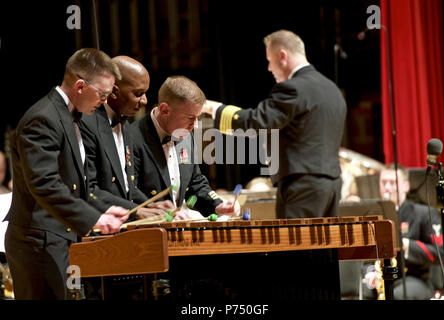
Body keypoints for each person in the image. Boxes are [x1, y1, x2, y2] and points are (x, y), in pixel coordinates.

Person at [4, 48, 129, 300]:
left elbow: (76, 184)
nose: (105, 101)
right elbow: (45, 185)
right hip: (37, 242)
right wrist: (94, 219)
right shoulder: (42, 118)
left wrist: (105, 210)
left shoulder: (75, 118)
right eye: (103, 94)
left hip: (60, 238)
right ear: (81, 86)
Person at [203, 29, 347, 219]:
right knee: (324, 248)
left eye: (269, 61)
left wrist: (215, 109)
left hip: (302, 184)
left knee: (296, 249)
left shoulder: (294, 88)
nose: (269, 68)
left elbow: (256, 122)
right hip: (332, 185)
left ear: (282, 56)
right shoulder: (331, 89)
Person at [131, 75, 240, 219]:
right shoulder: (132, 137)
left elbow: (195, 183)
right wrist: (160, 215)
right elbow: (129, 192)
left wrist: (217, 205)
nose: (195, 125)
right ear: (164, 110)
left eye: (198, 118)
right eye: (190, 118)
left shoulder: (186, 137)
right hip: (145, 231)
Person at [80, 56, 174, 220]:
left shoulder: (126, 127)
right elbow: (89, 189)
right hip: (97, 229)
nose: (144, 100)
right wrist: (136, 210)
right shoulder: (87, 124)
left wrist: (149, 205)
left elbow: (125, 185)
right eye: (138, 94)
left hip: (122, 225)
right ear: (114, 91)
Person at [363, 164, 444, 300]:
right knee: (362, 292)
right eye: (383, 183)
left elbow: (439, 253)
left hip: (416, 279)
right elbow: (366, 256)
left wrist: (406, 245)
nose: (387, 188)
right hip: (383, 277)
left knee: (396, 295)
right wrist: (370, 273)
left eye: (393, 182)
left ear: (406, 186)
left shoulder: (424, 213)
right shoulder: (374, 215)